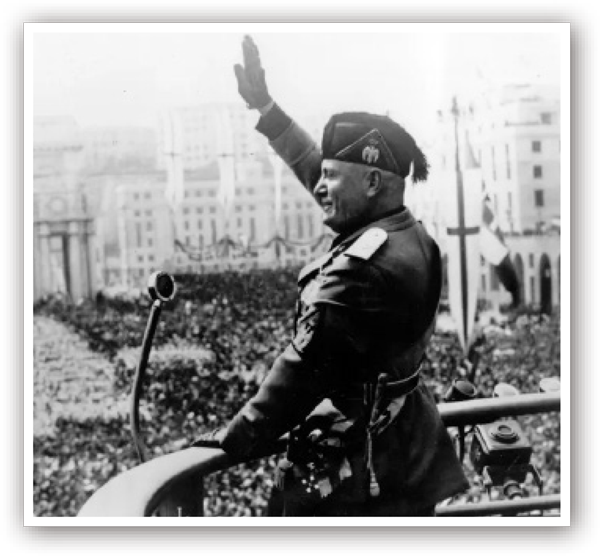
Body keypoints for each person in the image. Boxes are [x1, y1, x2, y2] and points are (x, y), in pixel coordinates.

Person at [193, 35, 468, 516]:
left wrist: (234, 438)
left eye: (331, 177)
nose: (318, 186)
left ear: (373, 182)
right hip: (405, 444)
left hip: (357, 466)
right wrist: (268, 110)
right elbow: (318, 172)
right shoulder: (407, 233)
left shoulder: (363, 267)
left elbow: (302, 367)